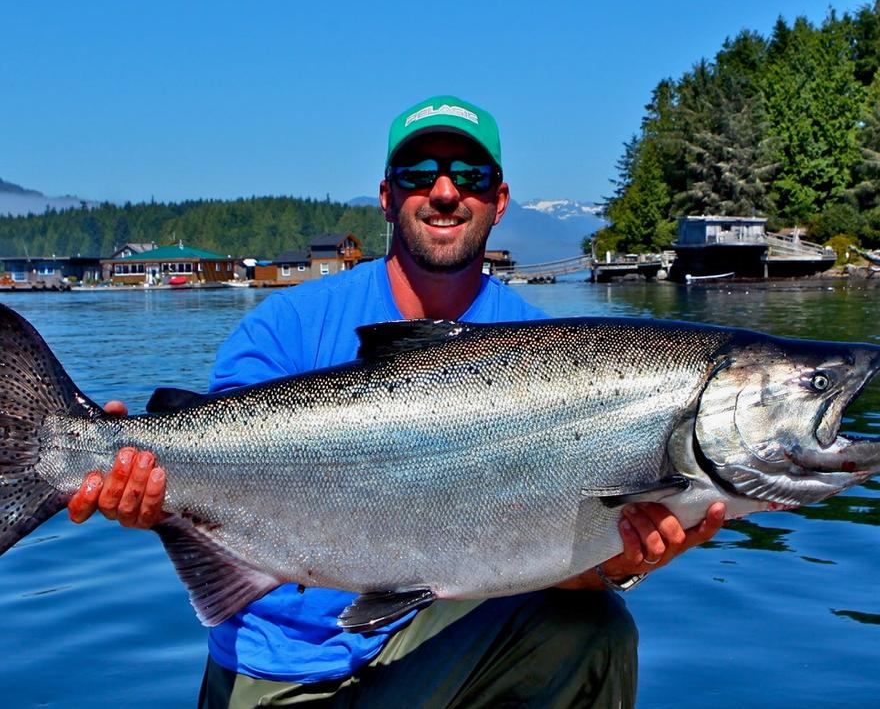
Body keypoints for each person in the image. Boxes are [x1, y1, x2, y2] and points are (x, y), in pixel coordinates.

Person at [68, 95, 726, 708]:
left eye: (468, 174)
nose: (444, 191)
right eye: (419, 174)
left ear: (499, 200)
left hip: (437, 652)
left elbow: (546, 560)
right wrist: (151, 490)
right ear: (387, 198)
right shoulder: (286, 325)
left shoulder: (551, 353)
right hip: (282, 669)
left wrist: (617, 563)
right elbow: (214, 466)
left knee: (596, 628)